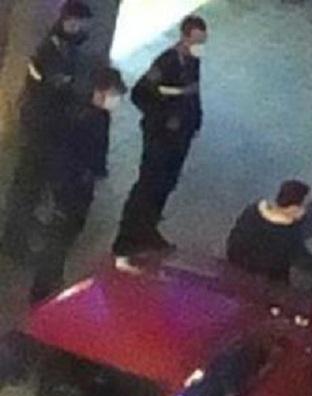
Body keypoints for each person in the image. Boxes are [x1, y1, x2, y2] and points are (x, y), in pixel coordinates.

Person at [2, 1, 93, 262]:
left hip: (50, 130)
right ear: (65, 21)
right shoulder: (48, 52)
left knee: (34, 186)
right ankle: (13, 242)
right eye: (75, 23)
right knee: (27, 187)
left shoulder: (67, 48)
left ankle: (20, 233)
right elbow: (44, 90)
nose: (78, 28)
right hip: (41, 130)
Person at [113, 15, 208, 257]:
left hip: (180, 137)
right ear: (184, 37)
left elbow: (192, 94)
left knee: (166, 184)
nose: (200, 46)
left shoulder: (193, 61)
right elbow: (140, 94)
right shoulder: (165, 63)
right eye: (196, 40)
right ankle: (127, 237)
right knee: (148, 184)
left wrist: (195, 121)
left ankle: (148, 229)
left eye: (203, 41)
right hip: (160, 136)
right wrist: (164, 117)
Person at [29, 66, 124, 303]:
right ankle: (43, 288)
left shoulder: (100, 115)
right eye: (112, 92)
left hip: (82, 184)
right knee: (58, 237)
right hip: (69, 187)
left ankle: (52, 279)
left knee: (68, 234)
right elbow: (65, 156)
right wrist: (64, 187)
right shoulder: (80, 117)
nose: (115, 99)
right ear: (100, 91)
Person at [226, 180, 312, 284]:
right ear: (294, 208)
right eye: (305, 207)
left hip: (235, 276)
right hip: (270, 289)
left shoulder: (251, 212)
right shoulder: (289, 236)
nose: (305, 211)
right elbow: (309, 264)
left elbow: (232, 244)